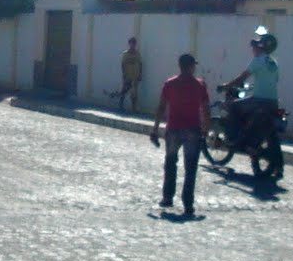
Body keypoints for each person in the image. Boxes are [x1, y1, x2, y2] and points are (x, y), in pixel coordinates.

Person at [150, 52, 211, 217]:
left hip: (173, 129)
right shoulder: (200, 85)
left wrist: (155, 129)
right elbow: (206, 109)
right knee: (190, 168)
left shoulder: (170, 84)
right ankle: (188, 203)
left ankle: (167, 197)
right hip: (193, 129)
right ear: (191, 67)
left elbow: (161, 107)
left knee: (170, 163)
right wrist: (206, 129)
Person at [222, 26, 280, 145]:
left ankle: (233, 139)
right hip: (273, 102)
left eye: (254, 47)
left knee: (233, 106)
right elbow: (273, 80)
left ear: (260, 47)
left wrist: (226, 86)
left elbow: (242, 77)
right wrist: (253, 86)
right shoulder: (273, 62)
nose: (253, 50)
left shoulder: (258, 60)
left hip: (259, 101)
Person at [118, 37, 144, 111]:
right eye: (131, 43)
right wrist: (124, 74)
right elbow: (122, 64)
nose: (133, 45)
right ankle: (120, 105)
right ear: (129, 44)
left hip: (135, 75)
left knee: (134, 92)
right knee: (124, 90)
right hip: (127, 75)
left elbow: (140, 64)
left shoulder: (137, 54)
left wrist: (140, 74)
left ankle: (133, 108)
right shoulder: (125, 53)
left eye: (134, 43)